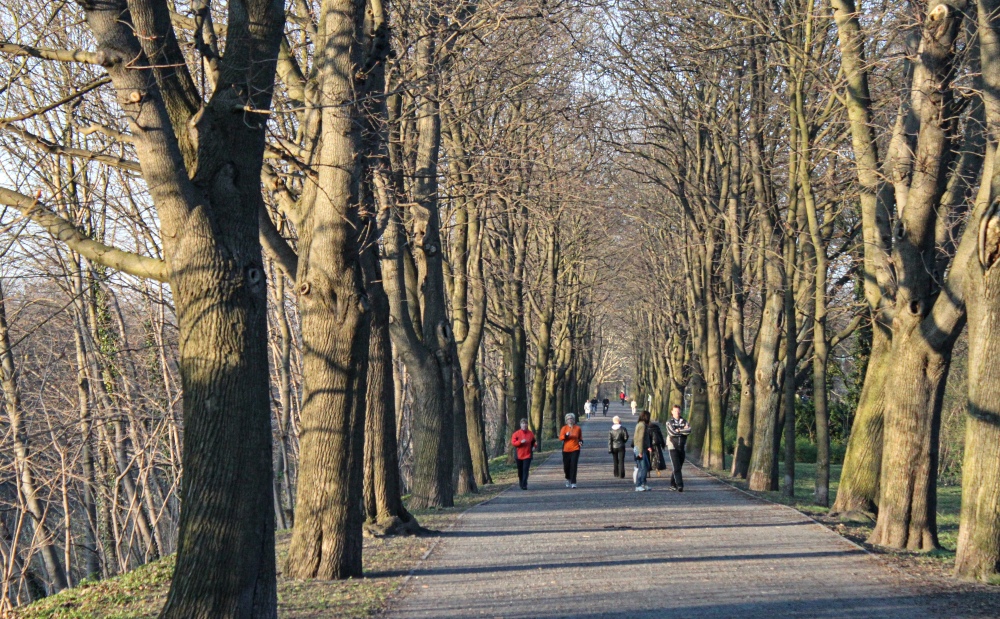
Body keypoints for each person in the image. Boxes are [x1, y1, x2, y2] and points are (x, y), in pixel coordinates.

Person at [666, 404, 692, 491]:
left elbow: (689, 430)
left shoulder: (684, 421)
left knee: (678, 466)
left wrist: (679, 430)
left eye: (678, 411)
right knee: (676, 466)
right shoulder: (669, 422)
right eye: (675, 411)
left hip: (682, 446)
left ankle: (672, 484)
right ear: (672, 412)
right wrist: (682, 430)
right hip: (672, 447)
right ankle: (680, 485)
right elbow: (672, 433)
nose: (677, 413)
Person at [511, 418, 537, 490]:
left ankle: (524, 484)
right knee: (520, 470)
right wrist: (520, 442)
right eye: (523, 424)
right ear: (520, 425)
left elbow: (534, 442)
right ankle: (521, 481)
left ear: (527, 425)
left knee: (526, 469)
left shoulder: (530, 433)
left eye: (525, 423)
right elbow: (513, 443)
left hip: (528, 455)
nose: (524, 425)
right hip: (519, 455)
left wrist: (534, 446)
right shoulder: (516, 434)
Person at [559, 414, 583, 488]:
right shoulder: (564, 428)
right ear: (566, 420)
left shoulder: (578, 428)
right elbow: (560, 438)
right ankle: (568, 477)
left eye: (571, 418)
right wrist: (566, 436)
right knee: (566, 466)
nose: (570, 420)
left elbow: (580, 438)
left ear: (574, 420)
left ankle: (573, 482)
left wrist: (581, 442)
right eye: (568, 419)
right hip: (566, 450)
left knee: (573, 465)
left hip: (575, 449)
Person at [633, 410, 652, 491]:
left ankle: (643, 483)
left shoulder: (641, 424)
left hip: (641, 448)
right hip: (640, 449)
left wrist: (648, 446)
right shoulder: (642, 426)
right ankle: (639, 484)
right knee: (643, 467)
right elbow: (640, 439)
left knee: (645, 466)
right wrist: (640, 451)